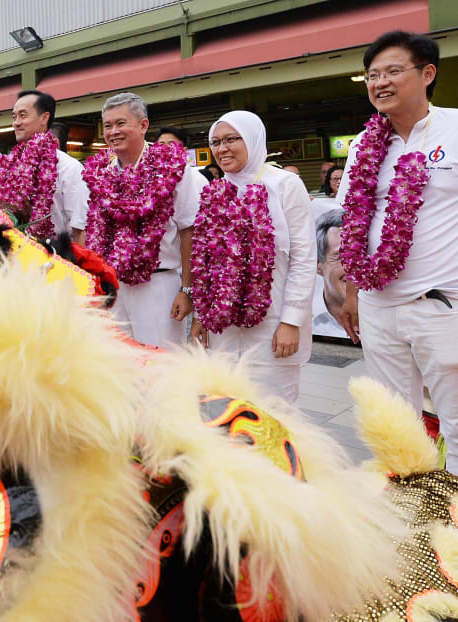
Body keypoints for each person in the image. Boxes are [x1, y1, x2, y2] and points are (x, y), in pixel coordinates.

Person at [337, 31, 458, 469]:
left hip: (442, 304)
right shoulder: (363, 147)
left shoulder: (455, 128)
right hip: (378, 305)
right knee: (394, 424)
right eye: (372, 75)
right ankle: (406, 516)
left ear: (427, 74)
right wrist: (352, 291)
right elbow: (354, 218)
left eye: (392, 71)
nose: (379, 83)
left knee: (456, 423)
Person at [190, 111, 316, 402]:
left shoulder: (284, 184)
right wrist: (202, 315)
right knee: (226, 411)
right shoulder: (216, 191)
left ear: (253, 139)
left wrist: (292, 321)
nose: (222, 149)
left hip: (273, 323)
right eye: (216, 142)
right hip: (223, 328)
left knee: (274, 413)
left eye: (231, 139)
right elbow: (206, 263)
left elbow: (304, 256)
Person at [82, 92, 206, 347]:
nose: (113, 132)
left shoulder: (172, 167)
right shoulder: (99, 172)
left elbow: (189, 230)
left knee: (159, 366)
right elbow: (90, 230)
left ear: (143, 125)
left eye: (120, 123)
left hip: (158, 284)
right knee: (115, 361)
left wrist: (187, 290)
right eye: (107, 125)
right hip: (112, 283)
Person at [0, 89, 89, 243]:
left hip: (54, 258)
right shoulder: (4, 166)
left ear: (44, 118)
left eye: (23, 115)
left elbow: (79, 228)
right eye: (14, 117)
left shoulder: (68, 167)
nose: (16, 123)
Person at [313, 209, 348, 339]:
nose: (353, 267)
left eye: (362, 254)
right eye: (340, 257)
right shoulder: (306, 324)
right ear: (318, 264)